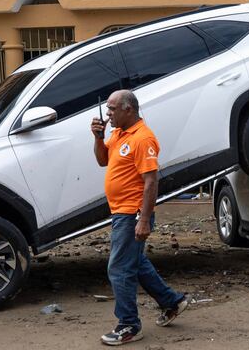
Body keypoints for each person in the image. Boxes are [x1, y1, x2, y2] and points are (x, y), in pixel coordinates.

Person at [91, 90, 189, 346]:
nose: (108, 114)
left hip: (131, 213)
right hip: (120, 211)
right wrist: (98, 138)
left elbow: (151, 182)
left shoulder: (143, 139)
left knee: (119, 268)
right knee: (135, 263)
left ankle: (129, 325)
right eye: (108, 109)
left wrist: (143, 219)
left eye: (112, 109)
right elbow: (103, 161)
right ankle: (173, 301)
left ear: (128, 110)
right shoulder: (118, 134)